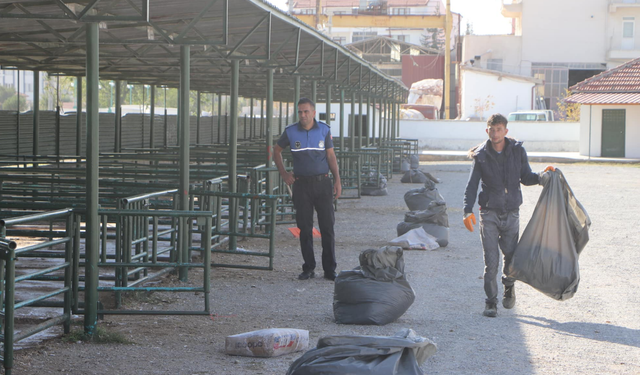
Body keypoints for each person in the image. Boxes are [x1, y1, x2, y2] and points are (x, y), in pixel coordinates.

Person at [463, 113, 554, 317]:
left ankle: (509, 286)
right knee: (491, 261)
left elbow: (526, 177)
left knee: (511, 257)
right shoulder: (481, 156)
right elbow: (472, 185)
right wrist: (467, 210)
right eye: (492, 130)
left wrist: (543, 177)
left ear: (506, 131)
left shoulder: (517, 151)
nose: (495, 134)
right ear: (487, 131)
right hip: (489, 213)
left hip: (511, 213)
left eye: (499, 129)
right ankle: (490, 303)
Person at [273, 97, 342, 281]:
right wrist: (284, 174)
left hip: (323, 184)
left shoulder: (324, 130)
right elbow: (276, 151)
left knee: (327, 227)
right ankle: (308, 267)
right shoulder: (290, 132)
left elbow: (331, 156)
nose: (303, 115)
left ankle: (330, 269)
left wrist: (337, 180)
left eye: (306, 111)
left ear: (313, 112)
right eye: (300, 112)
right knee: (305, 227)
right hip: (301, 185)